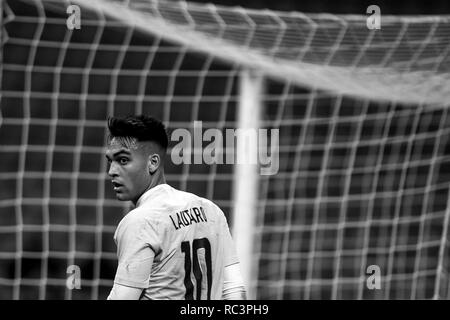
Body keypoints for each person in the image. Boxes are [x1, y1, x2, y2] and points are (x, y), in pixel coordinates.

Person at [105, 115, 246, 300]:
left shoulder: (140, 223)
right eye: (110, 161)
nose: (112, 171)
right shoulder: (211, 210)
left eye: (123, 160)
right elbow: (235, 291)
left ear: (153, 162)